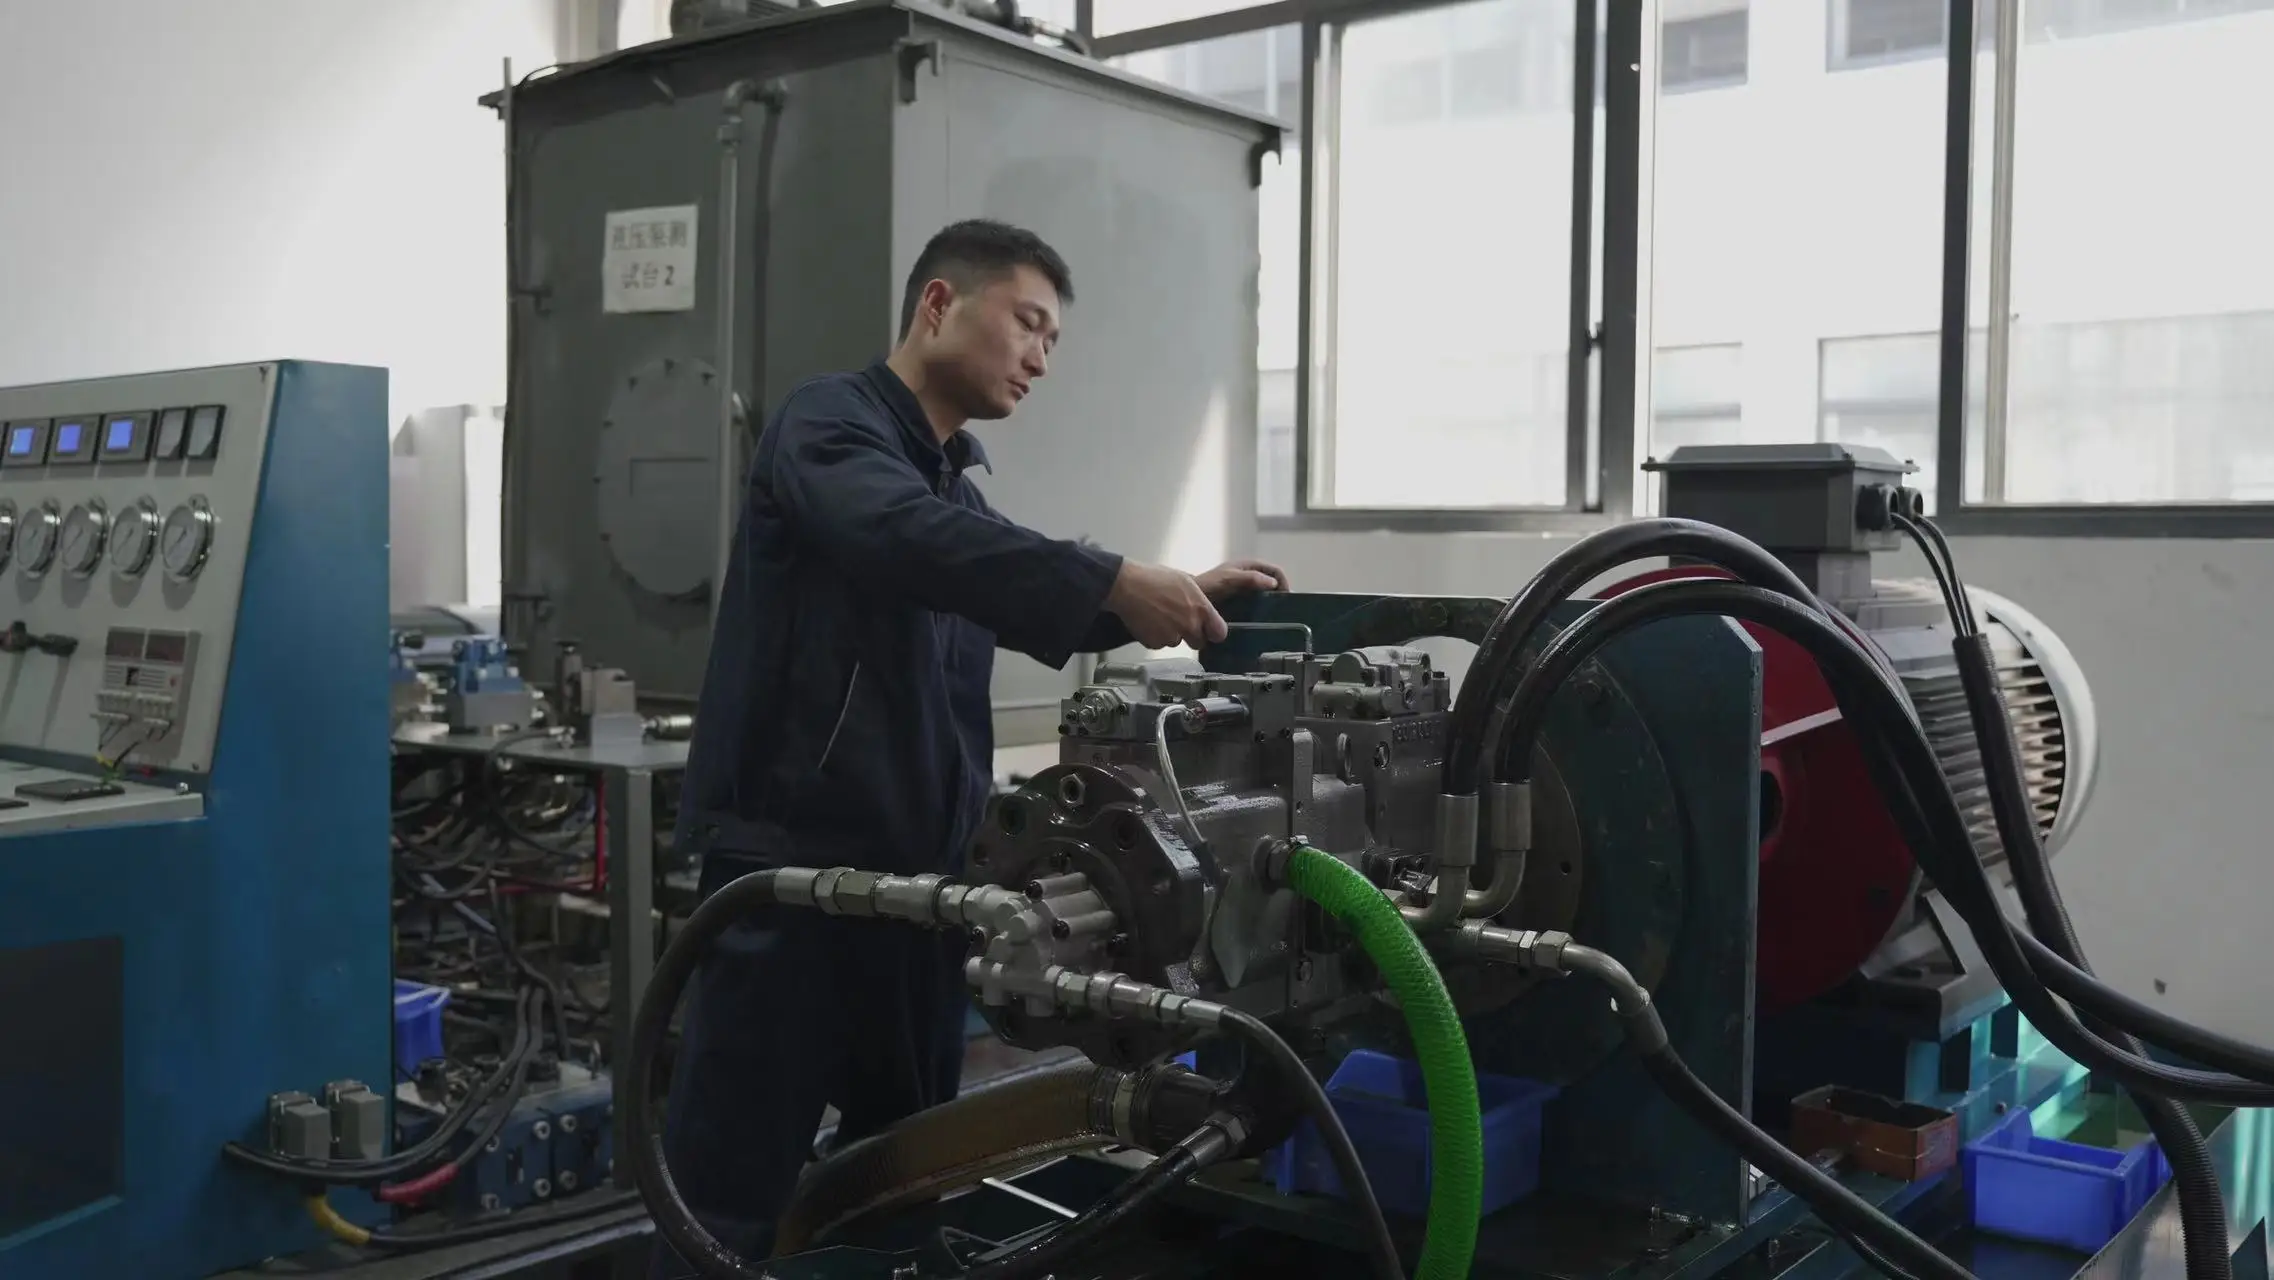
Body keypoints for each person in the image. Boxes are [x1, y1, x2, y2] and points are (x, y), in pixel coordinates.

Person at [651, 218, 1288, 1274]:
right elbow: (907, 537)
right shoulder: (829, 428)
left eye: (1053, 339)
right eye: (1028, 322)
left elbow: (982, 562)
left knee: (899, 1173)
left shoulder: (956, 496)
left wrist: (1165, 595)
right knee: (727, 1187)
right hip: (793, 885)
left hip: (919, 892)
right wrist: (1109, 576)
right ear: (939, 305)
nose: (1041, 355)